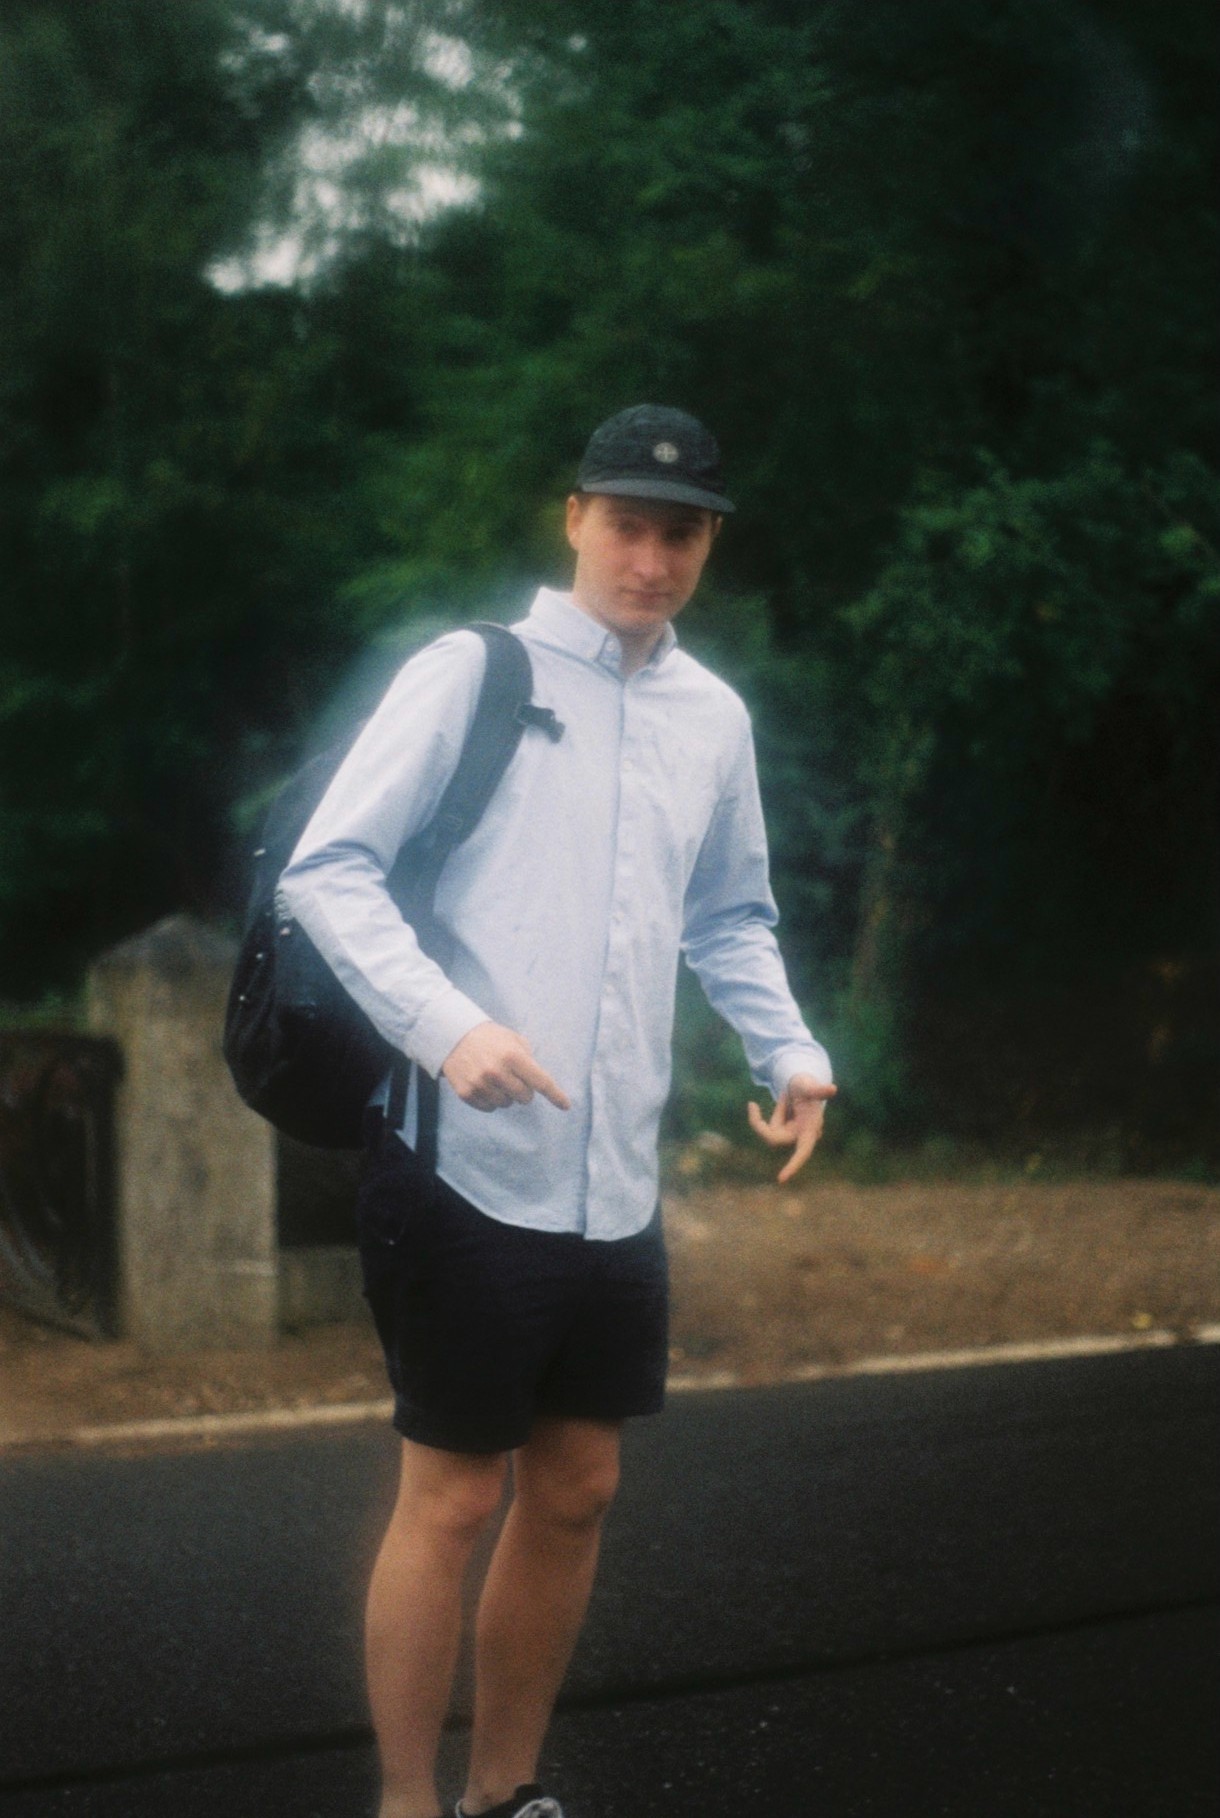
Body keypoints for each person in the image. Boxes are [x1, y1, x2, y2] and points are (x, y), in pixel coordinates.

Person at [279, 404, 835, 1818]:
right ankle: (408, 1800)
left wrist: (788, 1048)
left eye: (681, 533)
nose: (651, 558)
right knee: (456, 1493)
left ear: (709, 543)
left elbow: (731, 913)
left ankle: (505, 1792)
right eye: (627, 524)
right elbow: (327, 869)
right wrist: (445, 1026)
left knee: (577, 1486)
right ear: (575, 518)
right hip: (461, 1159)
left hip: (615, 1176)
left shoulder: (714, 717)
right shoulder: (475, 672)